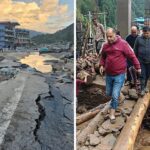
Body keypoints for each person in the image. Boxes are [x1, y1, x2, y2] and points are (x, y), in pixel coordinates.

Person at [99, 28, 141, 123]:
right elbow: (103, 56)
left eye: (111, 36)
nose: (109, 39)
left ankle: (112, 114)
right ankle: (120, 97)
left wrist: (138, 67)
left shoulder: (123, 44)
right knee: (109, 93)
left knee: (114, 95)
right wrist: (101, 65)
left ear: (115, 35)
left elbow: (132, 56)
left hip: (120, 74)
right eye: (107, 37)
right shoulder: (106, 46)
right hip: (109, 74)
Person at [134, 26, 150, 96]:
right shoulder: (138, 39)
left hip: (149, 61)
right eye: (145, 33)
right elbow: (135, 49)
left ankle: (145, 86)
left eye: (148, 33)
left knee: (147, 75)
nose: (146, 34)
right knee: (142, 75)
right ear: (142, 32)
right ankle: (142, 89)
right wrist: (135, 60)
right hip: (141, 61)